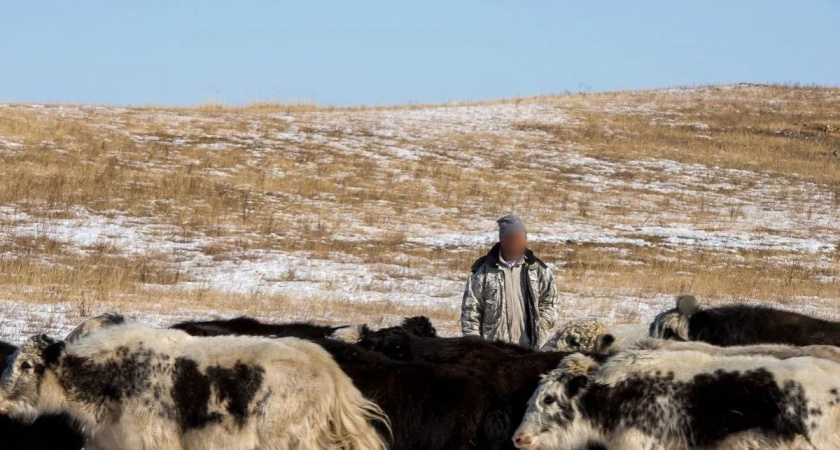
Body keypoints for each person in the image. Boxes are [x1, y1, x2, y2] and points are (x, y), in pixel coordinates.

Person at [460, 215, 559, 349]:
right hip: (496, 352)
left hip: (531, 350)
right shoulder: (482, 271)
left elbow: (551, 301)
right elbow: (470, 311)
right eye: (517, 239)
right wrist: (476, 346)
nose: (522, 244)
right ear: (503, 240)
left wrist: (542, 325)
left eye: (524, 238)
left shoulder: (537, 268)